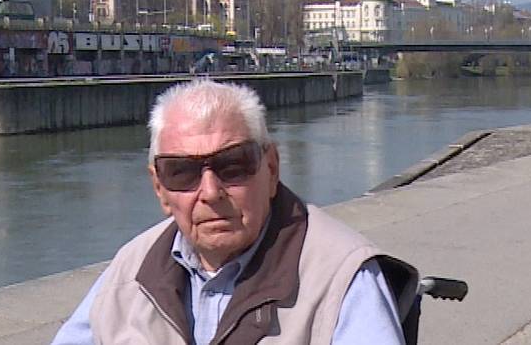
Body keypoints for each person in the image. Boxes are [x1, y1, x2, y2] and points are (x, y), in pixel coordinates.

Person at [53, 79, 417, 344]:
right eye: (182, 172)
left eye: (233, 166)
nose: (210, 192)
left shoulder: (340, 276)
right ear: (160, 189)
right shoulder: (131, 271)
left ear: (271, 169)